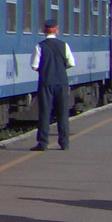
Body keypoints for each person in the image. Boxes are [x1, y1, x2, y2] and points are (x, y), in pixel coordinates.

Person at [31, 18, 75, 150]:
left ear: (45, 31)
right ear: (56, 30)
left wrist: (45, 68)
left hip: (46, 83)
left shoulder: (40, 46)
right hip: (62, 83)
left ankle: (43, 143)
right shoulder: (64, 45)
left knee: (45, 113)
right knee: (62, 112)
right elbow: (71, 63)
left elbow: (34, 66)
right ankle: (64, 142)